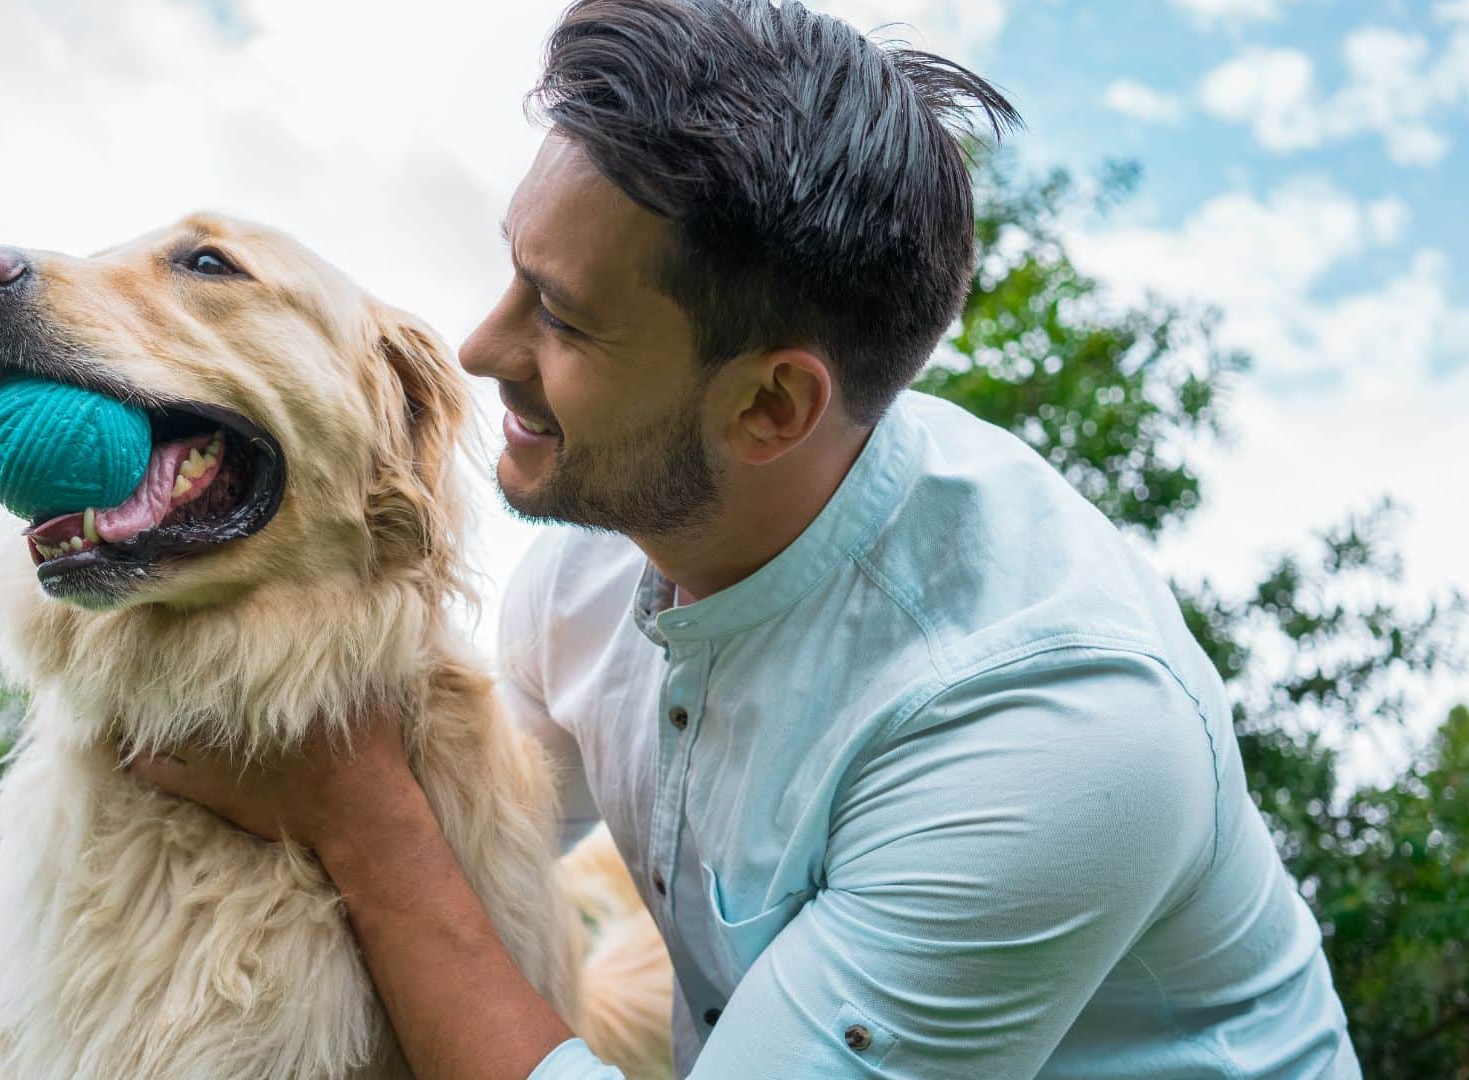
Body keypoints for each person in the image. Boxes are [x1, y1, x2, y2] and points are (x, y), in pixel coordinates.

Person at [129, 1, 1362, 1076]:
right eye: (516, 271)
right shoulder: (595, 556)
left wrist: (365, 826)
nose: (479, 349)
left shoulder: (1052, 734)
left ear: (770, 406)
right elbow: (474, 839)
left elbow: (396, 845)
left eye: (560, 320)